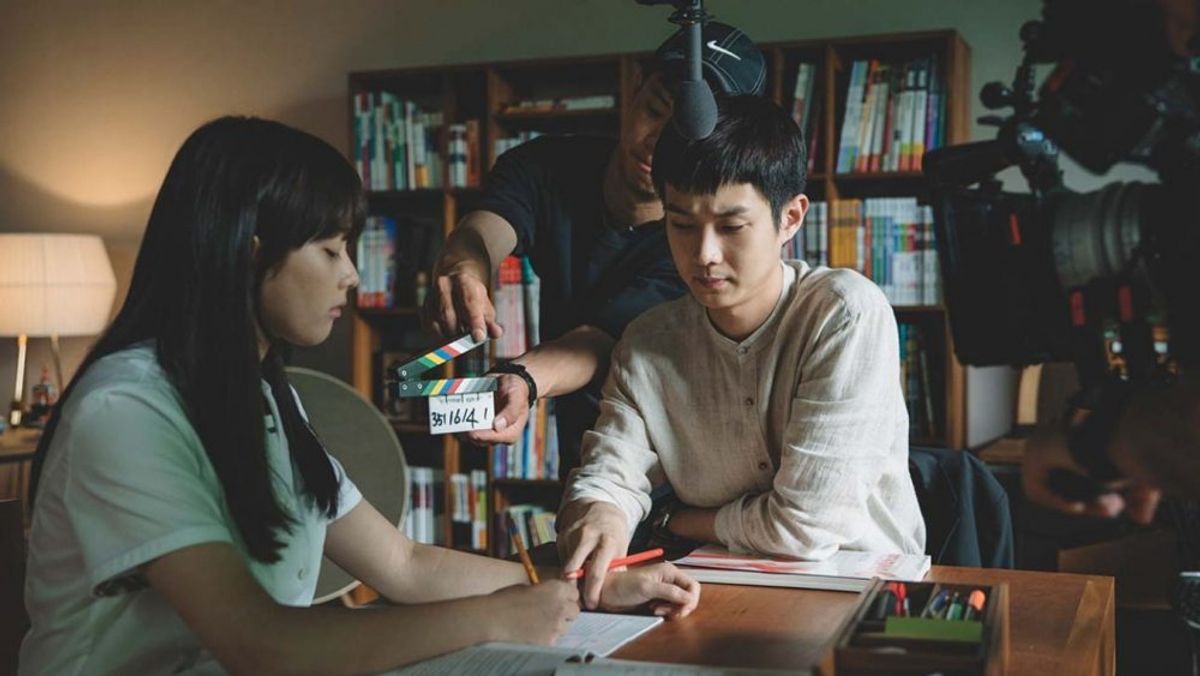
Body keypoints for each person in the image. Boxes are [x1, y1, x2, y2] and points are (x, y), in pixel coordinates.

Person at [18, 117, 700, 675]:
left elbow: (405, 564)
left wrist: (588, 588)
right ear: (251, 253)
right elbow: (262, 646)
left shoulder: (264, 399)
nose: (351, 276)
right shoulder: (126, 410)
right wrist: (494, 618)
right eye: (331, 249)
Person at [556, 95, 927, 609]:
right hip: (709, 590)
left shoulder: (843, 313)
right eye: (682, 225)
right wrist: (601, 512)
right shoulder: (646, 343)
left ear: (790, 218)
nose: (704, 254)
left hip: (862, 593)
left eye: (731, 227)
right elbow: (608, 474)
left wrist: (675, 519)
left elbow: (805, 528)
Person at [424, 22, 767, 480]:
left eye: (686, 131)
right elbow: (485, 231)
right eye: (654, 110)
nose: (657, 141)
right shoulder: (546, 166)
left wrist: (522, 378)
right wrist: (464, 268)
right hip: (587, 456)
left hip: (680, 464)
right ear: (634, 87)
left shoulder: (701, 244)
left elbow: (599, 341)